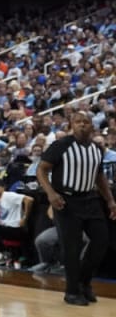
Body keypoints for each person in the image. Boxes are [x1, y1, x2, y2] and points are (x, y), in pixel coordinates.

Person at [35, 110, 116, 305]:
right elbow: (41, 170)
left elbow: (99, 176)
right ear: (72, 125)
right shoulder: (60, 145)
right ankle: (72, 292)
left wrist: (110, 200)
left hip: (90, 199)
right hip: (67, 201)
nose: (82, 125)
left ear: (92, 125)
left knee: (101, 241)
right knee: (71, 247)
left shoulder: (97, 148)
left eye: (85, 122)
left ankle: (84, 282)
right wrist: (51, 193)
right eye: (78, 122)